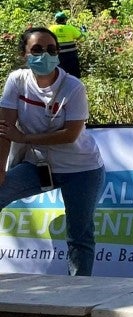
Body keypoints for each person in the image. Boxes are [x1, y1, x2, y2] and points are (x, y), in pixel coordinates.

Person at [0, 27, 106, 276]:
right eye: (37, 50)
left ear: (58, 53)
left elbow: (70, 135)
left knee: (79, 235)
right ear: (24, 54)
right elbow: (4, 129)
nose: (44, 55)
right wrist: (0, 171)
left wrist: (24, 138)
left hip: (82, 170)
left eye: (51, 50)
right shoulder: (16, 81)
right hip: (38, 166)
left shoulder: (73, 87)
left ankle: (78, 290)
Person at [49, 11, 85, 78]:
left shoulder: (51, 29)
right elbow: (82, 39)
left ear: (56, 20)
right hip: (71, 55)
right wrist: (84, 32)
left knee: (59, 75)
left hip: (58, 55)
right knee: (74, 75)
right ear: (65, 20)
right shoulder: (70, 28)